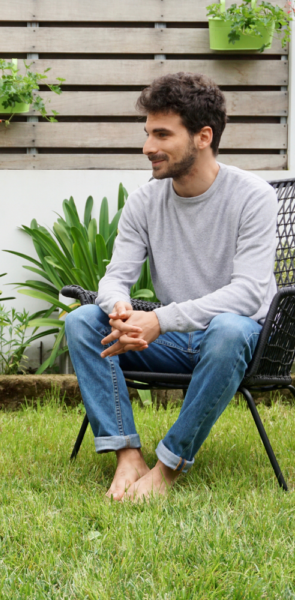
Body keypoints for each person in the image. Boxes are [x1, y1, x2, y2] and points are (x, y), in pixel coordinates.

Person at [64, 72, 278, 502]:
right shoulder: (146, 199)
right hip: (176, 341)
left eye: (162, 134)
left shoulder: (253, 196)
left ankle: (168, 467)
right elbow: (115, 276)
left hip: (241, 342)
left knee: (229, 329)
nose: (147, 148)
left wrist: (161, 319)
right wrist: (119, 308)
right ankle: (126, 454)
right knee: (83, 320)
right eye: (147, 134)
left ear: (203, 136)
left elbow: (250, 293)